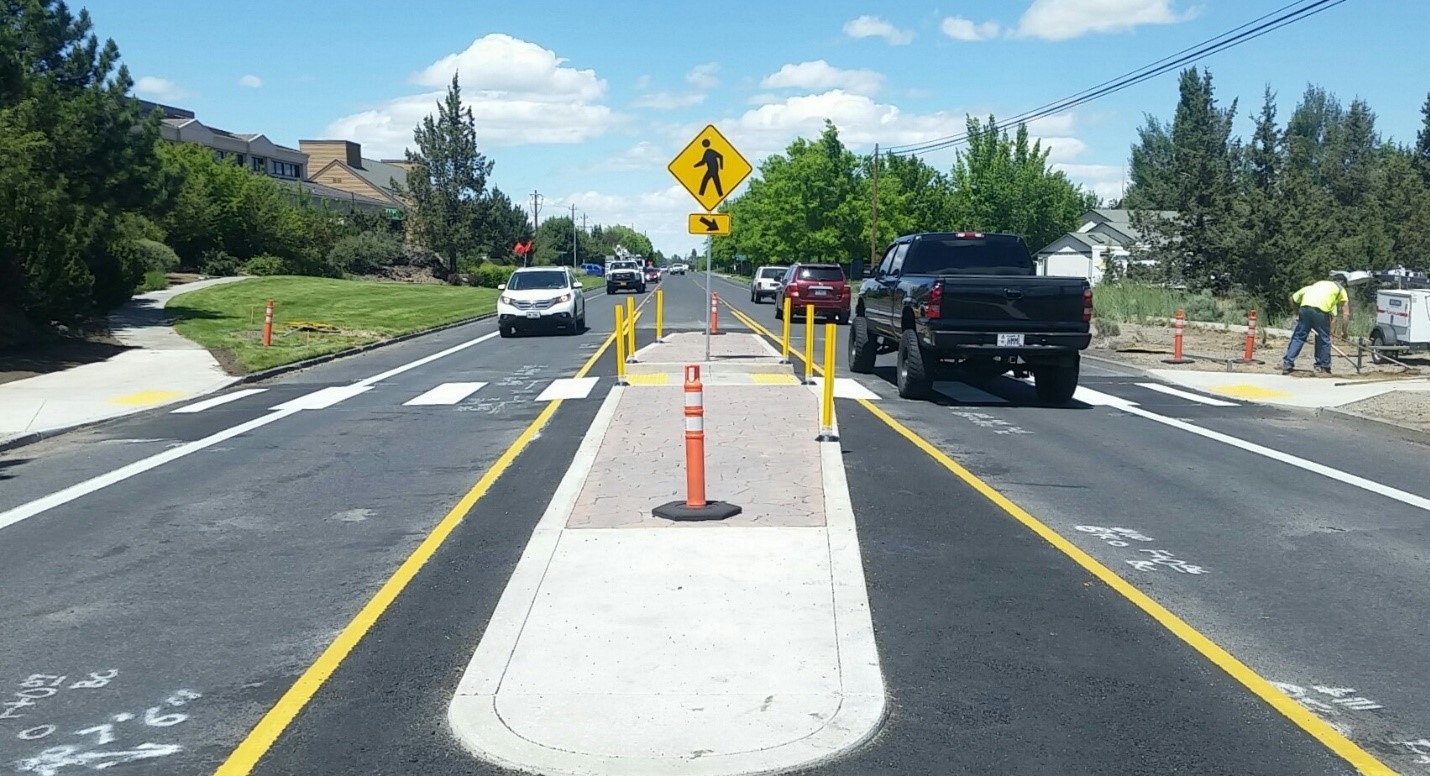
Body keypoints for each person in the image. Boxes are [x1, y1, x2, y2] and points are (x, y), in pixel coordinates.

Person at [1281, 274, 1350, 374]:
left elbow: (1293, 298)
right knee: (1324, 339)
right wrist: (1344, 332)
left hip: (1305, 308)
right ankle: (1324, 366)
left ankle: (1287, 364)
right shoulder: (1340, 289)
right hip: (1320, 312)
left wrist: (1296, 313)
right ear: (1342, 282)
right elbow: (1346, 313)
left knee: (1298, 337)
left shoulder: (1319, 284)